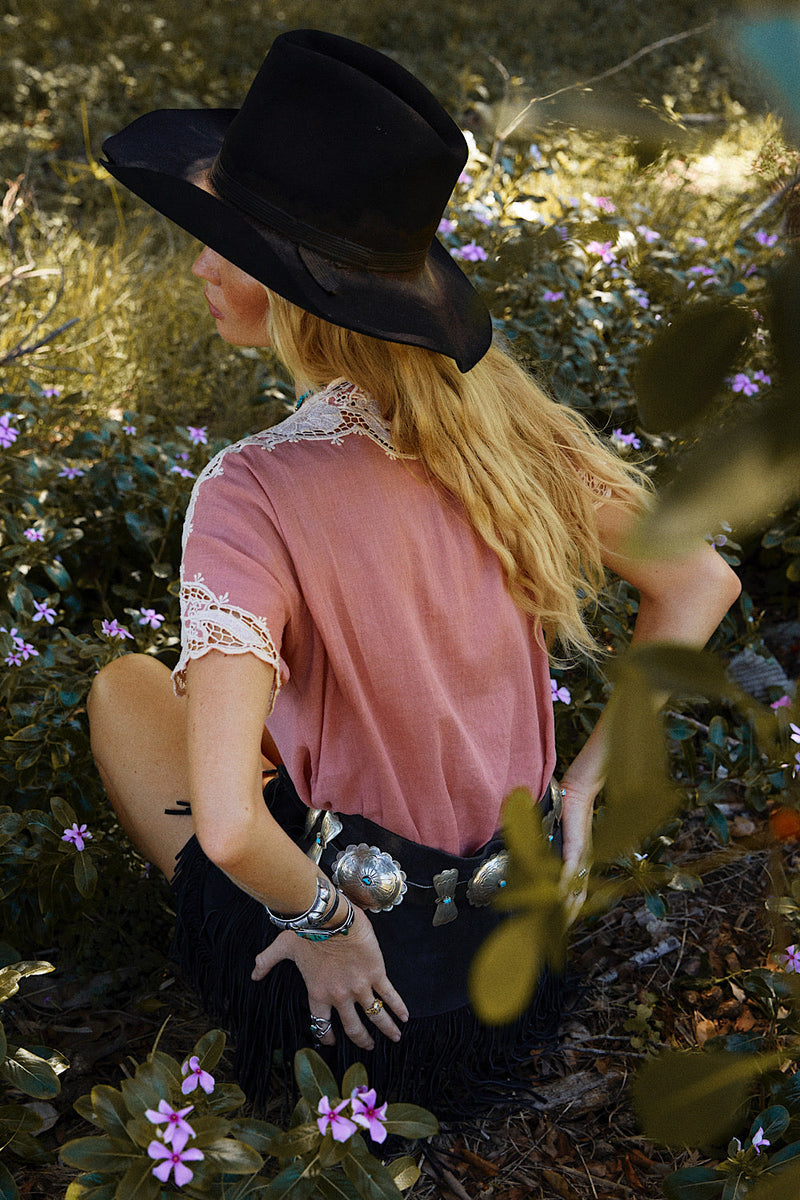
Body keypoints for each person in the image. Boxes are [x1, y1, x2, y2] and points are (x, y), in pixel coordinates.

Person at [87, 29, 741, 1116]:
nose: (199, 266)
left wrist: (330, 929)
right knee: (255, 702)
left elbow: (231, 828)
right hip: (511, 975)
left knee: (126, 686)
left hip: (349, 1010)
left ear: (296, 288)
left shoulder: (249, 491)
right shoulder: (505, 433)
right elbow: (700, 581)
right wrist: (584, 785)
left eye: (225, 245)